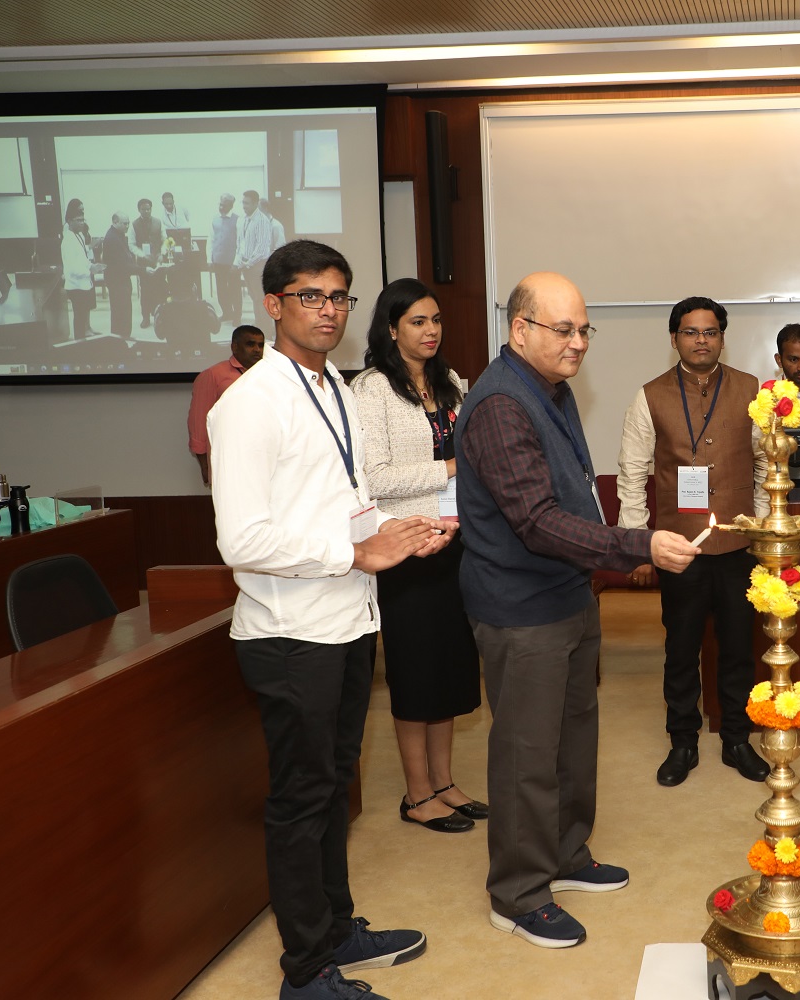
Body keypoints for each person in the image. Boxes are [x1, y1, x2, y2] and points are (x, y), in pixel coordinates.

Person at [209, 240, 448, 999]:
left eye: (340, 297)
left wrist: (403, 532)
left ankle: (337, 928)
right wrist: (356, 555)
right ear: (274, 305)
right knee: (301, 800)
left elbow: (343, 501)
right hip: (290, 633)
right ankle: (305, 970)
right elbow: (241, 541)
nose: (329, 311)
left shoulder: (337, 387)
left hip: (347, 620)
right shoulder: (247, 403)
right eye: (311, 296)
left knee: (333, 790)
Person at [454, 271, 701, 950]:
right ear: (520, 329)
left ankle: (563, 854)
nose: (579, 342)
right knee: (527, 753)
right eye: (564, 329)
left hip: (564, 594)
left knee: (571, 737)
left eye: (585, 329)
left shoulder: (549, 389)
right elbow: (535, 522)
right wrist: (636, 544)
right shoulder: (503, 403)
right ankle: (517, 893)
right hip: (520, 605)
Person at [351, 278, 486, 836]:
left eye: (435, 321)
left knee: (451, 668)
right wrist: (452, 468)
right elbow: (376, 476)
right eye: (417, 322)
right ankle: (416, 794)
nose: (430, 331)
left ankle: (445, 782)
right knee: (414, 671)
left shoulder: (451, 382)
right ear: (390, 328)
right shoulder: (371, 389)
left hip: (454, 540)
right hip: (405, 544)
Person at [617, 296, 770, 787]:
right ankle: (682, 742)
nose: (700, 340)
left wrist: (762, 530)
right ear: (674, 338)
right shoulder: (649, 395)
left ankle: (736, 739)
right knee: (680, 648)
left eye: (709, 331)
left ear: (722, 336)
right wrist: (638, 543)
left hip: (736, 544)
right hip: (677, 546)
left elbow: (768, 465)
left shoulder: (752, 390)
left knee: (737, 648)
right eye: (690, 332)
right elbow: (632, 472)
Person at [188, 324, 264, 485]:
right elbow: (198, 422)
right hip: (229, 457)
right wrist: (204, 464)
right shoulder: (213, 375)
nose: (257, 349)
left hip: (265, 456)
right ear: (235, 347)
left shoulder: (269, 375)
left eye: (261, 345)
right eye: (250, 344)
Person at [60, 199, 101, 342]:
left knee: (83, 315)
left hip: (84, 283)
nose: (82, 223)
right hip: (76, 286)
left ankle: (82, 340)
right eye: (78, 220)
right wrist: (89, 271)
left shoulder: (79, 235)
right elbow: (72, 269)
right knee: (79, 318)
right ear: (70, 221)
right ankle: (79, 344)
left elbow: (82, 258)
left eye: (83, 220)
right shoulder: (68, 241)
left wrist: (91, 266)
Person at [236, 189, 275, 332]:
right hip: (247, 265)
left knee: (261, 298)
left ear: (255, 203)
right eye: (243, 203)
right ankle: (259, 324)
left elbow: (262, 248)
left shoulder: (262, 221)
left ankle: (267, 329)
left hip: (257, 265)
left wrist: (248, 263)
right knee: (254, 297)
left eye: (247, 203)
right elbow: (241, 243)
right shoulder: (243, 219)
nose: (244, 206)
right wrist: (240, 261)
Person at [129, 197, 165, 329]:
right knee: (145, 291)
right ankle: (145, 318)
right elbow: (131, 245)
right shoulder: (133, 225)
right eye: (143, 209)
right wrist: (143, 255)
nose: (146, 211)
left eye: (148, 209)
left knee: (159, 290)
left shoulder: (158, 222)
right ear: (139, 210)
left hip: (157, 262)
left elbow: (164, 240)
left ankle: (159, 316)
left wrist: (162, 253)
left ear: (151, 209)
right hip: (143, 264)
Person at [101, 210, 137, 338]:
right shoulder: (112, 239)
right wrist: (142, 270)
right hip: (117, 281)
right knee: (121, 312)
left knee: (124, 310)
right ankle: (121, 337)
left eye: (128, 223)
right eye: (124, 223)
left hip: (120, 279)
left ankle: (123, 336)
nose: (127, 226)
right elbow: (123, 265)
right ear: (115, 222)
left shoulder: (119, 234)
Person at [209, 193, 241, 325]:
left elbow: (240, 242)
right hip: (218, 261)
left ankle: (237, 316)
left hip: (232, 263)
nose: (221, 207)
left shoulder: (238, 220)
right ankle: (226, 312)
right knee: (221, 289)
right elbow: (211, 240)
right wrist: (210, 259)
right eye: (220, 204)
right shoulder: (215, 219)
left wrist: (236, 262)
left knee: (234, 289)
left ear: (231, 206)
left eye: (224, 205)